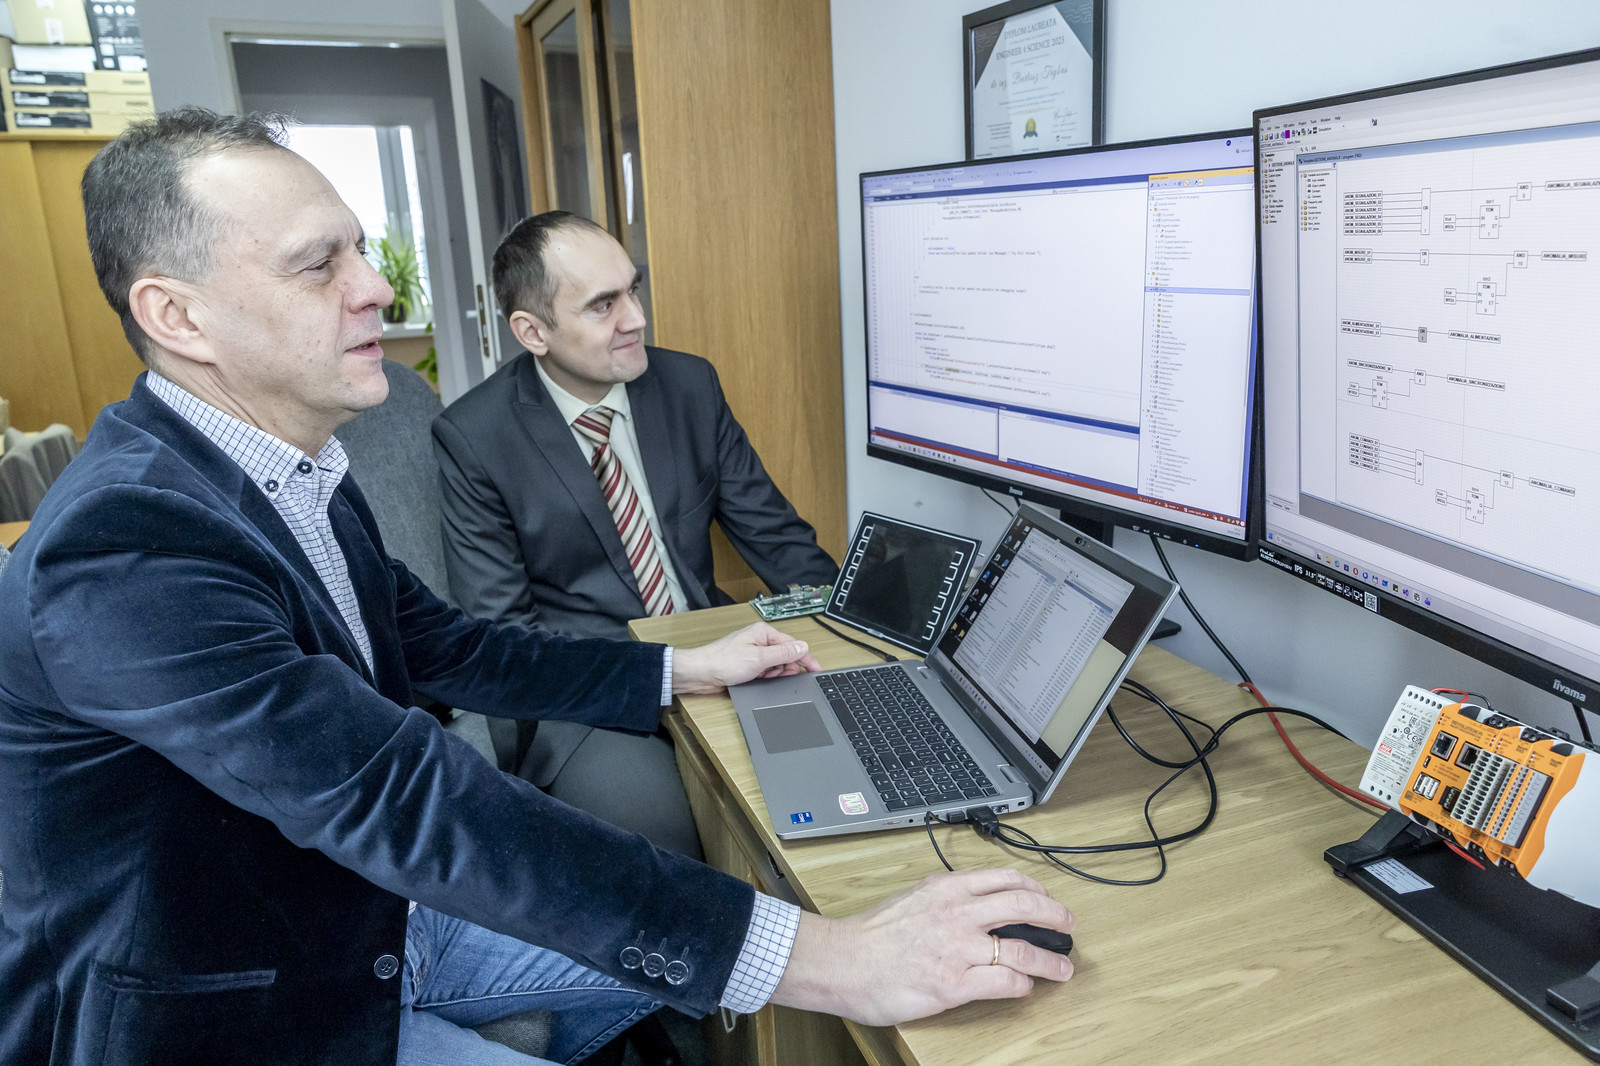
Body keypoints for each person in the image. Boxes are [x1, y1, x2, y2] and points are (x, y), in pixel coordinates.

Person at [0, 109, 1075, 1066]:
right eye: (318, 265)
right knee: (767, 946)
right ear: (178, 317)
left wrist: (675, 670)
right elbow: (402, 793)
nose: (376, 286)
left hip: (376, 919)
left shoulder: (296, 470)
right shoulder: (126, 545)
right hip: (257, 1008)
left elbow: (452, 647)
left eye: (360, 249)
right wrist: (831, 959)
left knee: (733, 937)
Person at [432, 211, 838, 856]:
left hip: (717, 647)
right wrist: (662, 675)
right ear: (533, 331)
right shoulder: (475, 437)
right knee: (667, 841)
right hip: (588, 695)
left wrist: (856, 634)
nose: (636, 318)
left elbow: (778, 538)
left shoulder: (689, 385)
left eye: (633, 290)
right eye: (603, 305)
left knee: (824, 794)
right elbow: (503, 630)